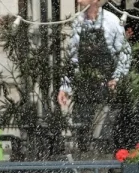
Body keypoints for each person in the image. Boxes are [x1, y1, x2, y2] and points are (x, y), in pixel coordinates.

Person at [57, 0, 130, 153]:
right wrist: (65, 87)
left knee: (104, 138)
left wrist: (116, 78)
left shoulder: (112, 21)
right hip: (85, 89)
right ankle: (84, 172)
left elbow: (125, 53)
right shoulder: (79, 22)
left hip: (108, 90)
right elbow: (72, 58)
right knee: (81, 135)